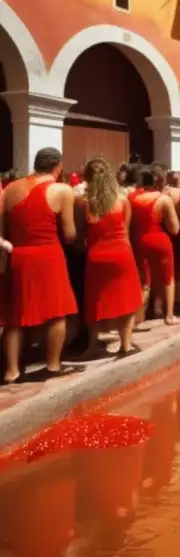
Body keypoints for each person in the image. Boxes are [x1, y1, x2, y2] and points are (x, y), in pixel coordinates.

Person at [1, 148, 79, 384]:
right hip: (48, 254)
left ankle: (11, 371)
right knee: (56, 311)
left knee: (15, 315)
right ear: (58, 166)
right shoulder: (62, 190)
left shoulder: (11, 188)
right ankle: (53, 366)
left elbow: (3, 228)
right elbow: (69, 234)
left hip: (19, 255)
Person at [79, 158, 143, 356]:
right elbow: (126, 232)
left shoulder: (84, 202)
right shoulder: (122, 201)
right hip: (121, 253)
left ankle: (91, 345)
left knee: (95, 299)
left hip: (96, 255)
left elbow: (80, 235)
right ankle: (125, 344)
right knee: (128, 298)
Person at [130, 165, 180, 325]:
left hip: (138, 240)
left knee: (144, 282)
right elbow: (175, 228)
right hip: (158, 240)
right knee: (168, 277)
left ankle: (135, 318)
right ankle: (169, 315)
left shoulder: (132, 198)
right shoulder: (163, 199)